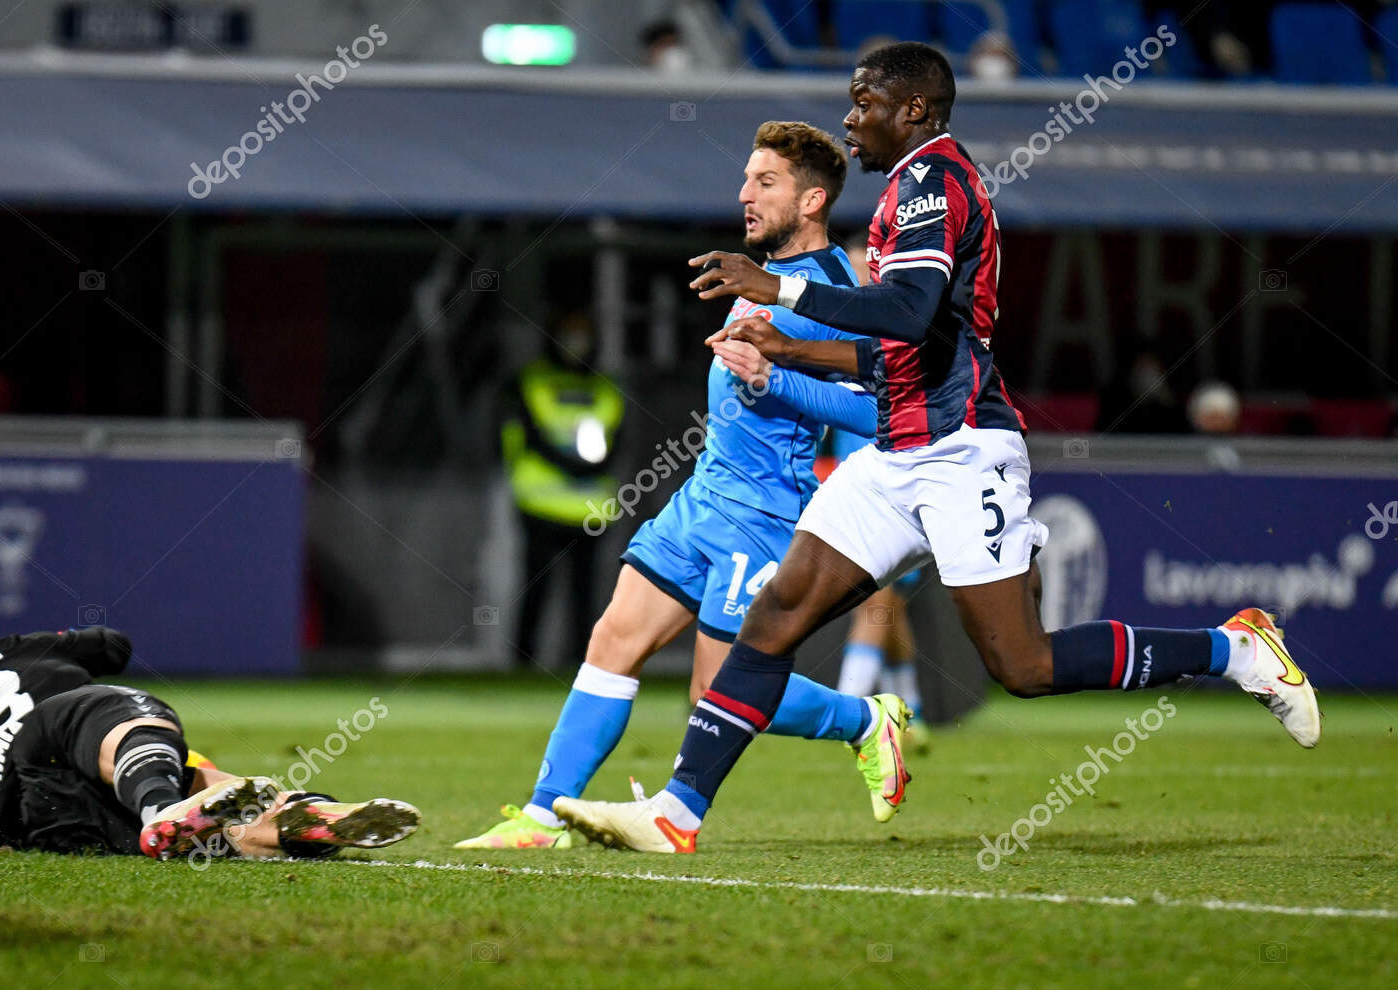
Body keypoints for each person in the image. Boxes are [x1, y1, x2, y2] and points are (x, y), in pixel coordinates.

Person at [552, 43, 1319, 854]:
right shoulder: (903, 198)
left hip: (960, 449)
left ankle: (1235, 650)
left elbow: (910, 311)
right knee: (776, 614)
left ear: (913, 109)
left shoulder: (934, 182)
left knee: (1023, 666)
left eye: (864, 101)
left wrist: (778, 289)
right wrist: (784, 347)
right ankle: (678, 812)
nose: (851, 118)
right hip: (894, 449)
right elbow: (894, 352)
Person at [455, 120, 883, 852]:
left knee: (717, 693)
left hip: (764, 517)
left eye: (765, 182)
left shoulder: (836, 290)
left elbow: (878, 408)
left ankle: (868, 721)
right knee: (614, 635)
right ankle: (544, 814)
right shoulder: (763, 276)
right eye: (747, 178)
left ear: (812, 200)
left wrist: (777, 378)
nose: (745, 194)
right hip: (701, 499)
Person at [0, 612, 418, 859]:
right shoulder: (9, 651)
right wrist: (60, 642)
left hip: (41, 832)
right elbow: (114, 647)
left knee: (202, 786)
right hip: (54, 746)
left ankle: (294, 819)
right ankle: (163, 812)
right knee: (120, 711)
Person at [828, 232, 927, 743]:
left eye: (864, 269)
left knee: (875, 603)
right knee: (889, 608)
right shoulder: (834, 336)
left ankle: (855, 719)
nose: (856, 279)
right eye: (847, 270)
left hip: (896, 488)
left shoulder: (898, 335)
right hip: (853, 490)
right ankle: (913, 710)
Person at [502, 311, 625, 667]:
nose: (577, 342)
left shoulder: (606, 386)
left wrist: (590, 464)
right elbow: (527, 437)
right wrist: (575, 464)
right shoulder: (531, 381)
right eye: (569, 332)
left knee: (584, 593)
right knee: (535, 587)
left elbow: (616, 440)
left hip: (589, 509)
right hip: (539, 504)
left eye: (583, 332)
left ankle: (581, 664)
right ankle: (522, 663)